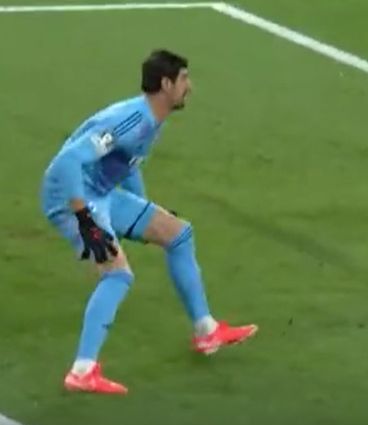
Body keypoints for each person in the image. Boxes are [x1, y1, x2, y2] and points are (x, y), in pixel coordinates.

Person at [40, 50, 258, 395]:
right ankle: (82, 370)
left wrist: (144, 209)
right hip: (70, 197)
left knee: (178, 233)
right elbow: (68, 162)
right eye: (184, 79)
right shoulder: (131, 120)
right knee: (117, 274)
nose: (190, 86)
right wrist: (85, 221)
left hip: (101, 193)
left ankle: (206, 331)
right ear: (166, 84)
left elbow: (127, 164)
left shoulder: (152, 120)